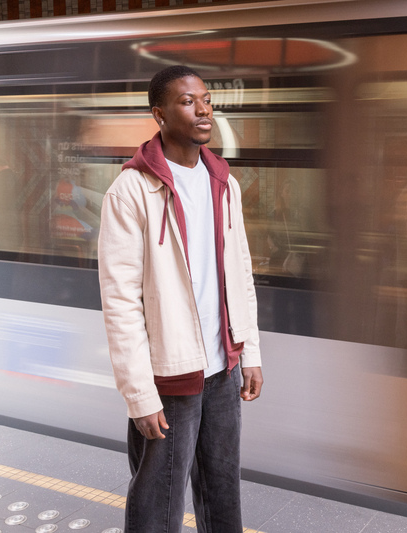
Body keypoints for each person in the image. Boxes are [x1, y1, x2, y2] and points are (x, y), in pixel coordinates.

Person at [98, 65, 263, 533]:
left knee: (222, 489)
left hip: (223, 370)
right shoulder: (132, 190)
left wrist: (248, 349)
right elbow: (121, 302)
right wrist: (139, 395)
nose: (204, 108)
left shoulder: (223, 184)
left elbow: (241, 273)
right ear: (160, 114)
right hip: (169, 376)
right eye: (189, 101)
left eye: (207, 99)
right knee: (159, 501)